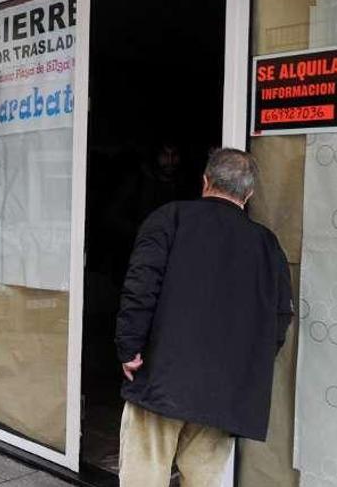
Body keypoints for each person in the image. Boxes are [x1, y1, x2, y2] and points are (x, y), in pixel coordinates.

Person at [115, 148, 293, 486]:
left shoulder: (169, 219)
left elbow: (140, 288)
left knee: (144, 473)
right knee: (203, 478)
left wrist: (129, 347)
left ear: (205, 181)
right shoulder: (268, 245)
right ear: (249, 193)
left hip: (162, 375)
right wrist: (247, 364)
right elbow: (280, 319)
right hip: (225, 389)